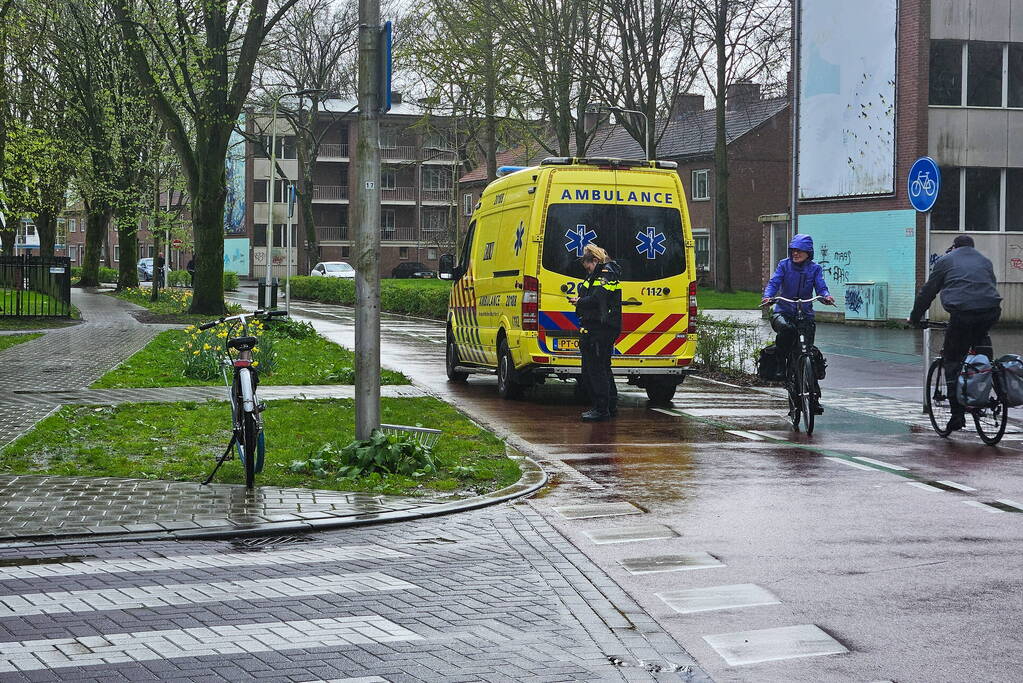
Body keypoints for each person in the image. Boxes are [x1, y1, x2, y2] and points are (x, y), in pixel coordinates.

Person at [909, 234, 1001, 432]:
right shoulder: (984, 260)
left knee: (952, 359)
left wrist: (915, 317)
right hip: (991, 312)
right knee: (982, 351)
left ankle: (957, 414)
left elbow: (927, 292)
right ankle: (991, 386)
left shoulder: (945, 261)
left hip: (962, 314)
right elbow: (988, 287)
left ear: (954, 247)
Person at [761, 234, 835, 413]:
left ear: (808, 252)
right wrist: (768, 296)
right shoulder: (784, 265)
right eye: (793, 250)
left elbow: (821, 285)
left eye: (799, 250)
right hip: (783, 312)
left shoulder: (815, 268)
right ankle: (780, 364)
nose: (795, 253)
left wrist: (826, 296)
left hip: (805, 314)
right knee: (786, 329)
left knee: (808, 354)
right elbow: (774, 282)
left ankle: (814, 399)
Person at [570, 243, 622, 422]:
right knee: (603, 368)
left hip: (601, 328)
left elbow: (598, 298)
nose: (587, 269)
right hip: (597, 327)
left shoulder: (606, 275)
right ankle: (609, 406)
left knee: (596, 369)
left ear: (594, 260)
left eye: (588, 265)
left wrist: (580, 302)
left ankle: (601, 409)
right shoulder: (600, 274)